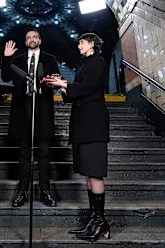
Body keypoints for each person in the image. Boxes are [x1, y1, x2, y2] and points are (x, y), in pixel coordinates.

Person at [48, 32, 111, 242]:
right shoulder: (85, 64)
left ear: (92, 43)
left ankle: (100, 221)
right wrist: (62, 85)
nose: (78, 46)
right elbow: (77, 92)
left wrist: (64, 85)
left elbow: (89, 87)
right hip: (83, 124)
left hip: (93, 124)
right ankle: (95, 220)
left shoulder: (98, 62)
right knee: (87, 173)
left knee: (94, 173)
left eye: (81, 42)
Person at [1, 29, 60, 207]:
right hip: (22, 111)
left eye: (34, 37)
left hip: (43, 110)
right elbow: (5, 77)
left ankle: (45, 191)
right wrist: (6, 58)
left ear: (40, 40)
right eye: (28, 37)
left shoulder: (50, 59)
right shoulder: (17, 60)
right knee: (24, 154)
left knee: (44, 153)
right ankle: (22, 192)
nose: (31, 39)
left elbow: (56, 80)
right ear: (25, 42)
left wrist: (53, 80)